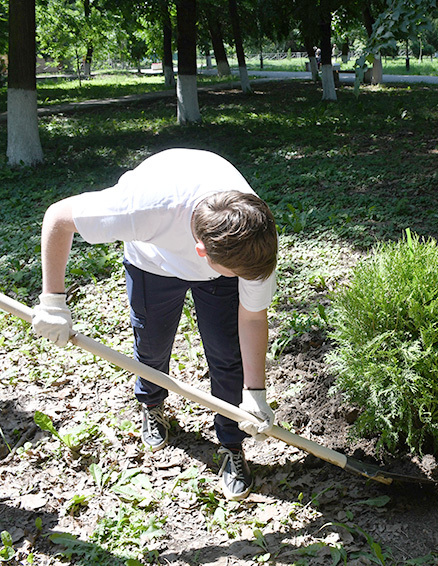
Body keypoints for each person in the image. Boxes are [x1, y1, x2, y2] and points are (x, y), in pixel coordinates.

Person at [31, 148, 279, 500]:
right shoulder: (141, 209)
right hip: (152, 263)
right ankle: (152, 403)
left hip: (220, 265)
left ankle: (232, 443)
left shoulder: (253, 240)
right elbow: (58, 217)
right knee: (152, 344)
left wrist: (255, 393)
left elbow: (252, 318)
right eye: (238, 275)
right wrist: (53, 301)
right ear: (202, 254)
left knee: (228, 354)